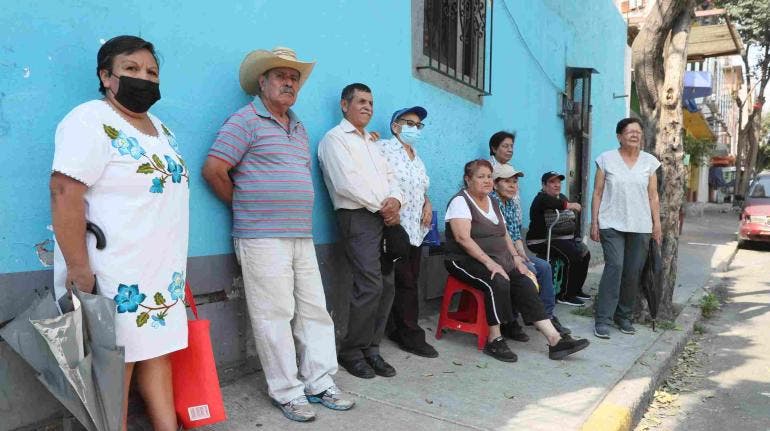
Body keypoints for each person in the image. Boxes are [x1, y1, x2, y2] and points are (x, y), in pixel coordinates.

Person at [202, 47, 354, 422]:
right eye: (281, 76)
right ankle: (287, 391)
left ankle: (320, 382)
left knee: (314, 311)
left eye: (294, 78)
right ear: (262, 82)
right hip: (260, 237)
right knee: (275, 315)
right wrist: (245, 208)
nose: (289, 83)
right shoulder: (244, 121)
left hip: (300, 235)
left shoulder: (299, 127)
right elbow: (214, 169)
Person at [50, 35, 186, 431]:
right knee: (116, 365)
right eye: (131, 69)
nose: (143, 77)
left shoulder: (161, 129)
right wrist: (79, 270)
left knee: (158, 352)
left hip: (161, 270)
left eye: (151, 72)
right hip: (113, 270)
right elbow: (64, 191)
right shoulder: (89, 120)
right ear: (106, 77)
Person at [443, 159, 589, 362]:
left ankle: (554, 340)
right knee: (497, 280)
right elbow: (462, 239)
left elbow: (504, 235)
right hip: (463, 260)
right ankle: (494, 339)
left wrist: (516, 259)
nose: (486, 181)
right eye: (480, 177)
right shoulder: (460, 201)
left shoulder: (492, 202)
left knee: (524, 279)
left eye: (488, 177)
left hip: (496, 258)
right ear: (468, 179)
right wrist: (490, 263)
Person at [318, 83, 403, 379]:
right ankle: (351, 351)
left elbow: (390, 176)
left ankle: (372, 349)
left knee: (387, 283)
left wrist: (396, 200)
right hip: (358, 216)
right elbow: (345, 183)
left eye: (371, 102)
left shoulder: (372, 143)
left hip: (384, 216)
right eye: (361, 101)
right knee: (370, 284)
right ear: (345, 105)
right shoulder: (334, 140)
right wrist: (384, 206)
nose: (368, 107)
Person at [590, 118, 661, 339]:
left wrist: (656, 224)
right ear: (619, 136)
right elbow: (598, 192)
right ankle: (603, 319)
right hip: (611, 222)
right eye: (630, 131)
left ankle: (624, 317)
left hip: (640, 225)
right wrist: (594, 222)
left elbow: (653, 196)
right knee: (615, 266)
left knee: (632, 272)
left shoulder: (650, 162)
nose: (635, 135)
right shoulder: (606, 160)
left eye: (638, 132)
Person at [378, 106, 438, 358]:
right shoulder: (383, 149)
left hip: (417, 230)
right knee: (406, 284)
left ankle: (396, 329)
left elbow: (419, 189)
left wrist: (428, 203)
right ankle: (411, 335)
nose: (414, 128)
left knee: (407, 280)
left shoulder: (417, 158)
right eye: (409, 123)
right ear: (395, 126)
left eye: (418, 125)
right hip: (394, 227)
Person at [490, 164, 571, 337]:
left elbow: (515, 234)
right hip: (497, 254)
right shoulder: (492, 202)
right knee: (530, 271)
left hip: (512, 252)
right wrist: (518, 259)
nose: (513, 185)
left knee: (544, 267)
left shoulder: (510, 203)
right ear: (495, 184)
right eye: (507, 181)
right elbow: (501, 236)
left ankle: (546, 316)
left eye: (515, 181)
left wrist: (523, 256)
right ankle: (511, 320)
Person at [526, 171, 592, 306]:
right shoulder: (541, 198)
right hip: (542, 240)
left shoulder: (561, 197)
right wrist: (571, 205)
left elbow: (570, 217)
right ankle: (566, 295)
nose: (557, 185)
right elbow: (556, 204)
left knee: (585, 254)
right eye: (552, 182)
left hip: (562, 238)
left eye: (558, 182)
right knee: (572, 256)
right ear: (544, 186)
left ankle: (576, 289)